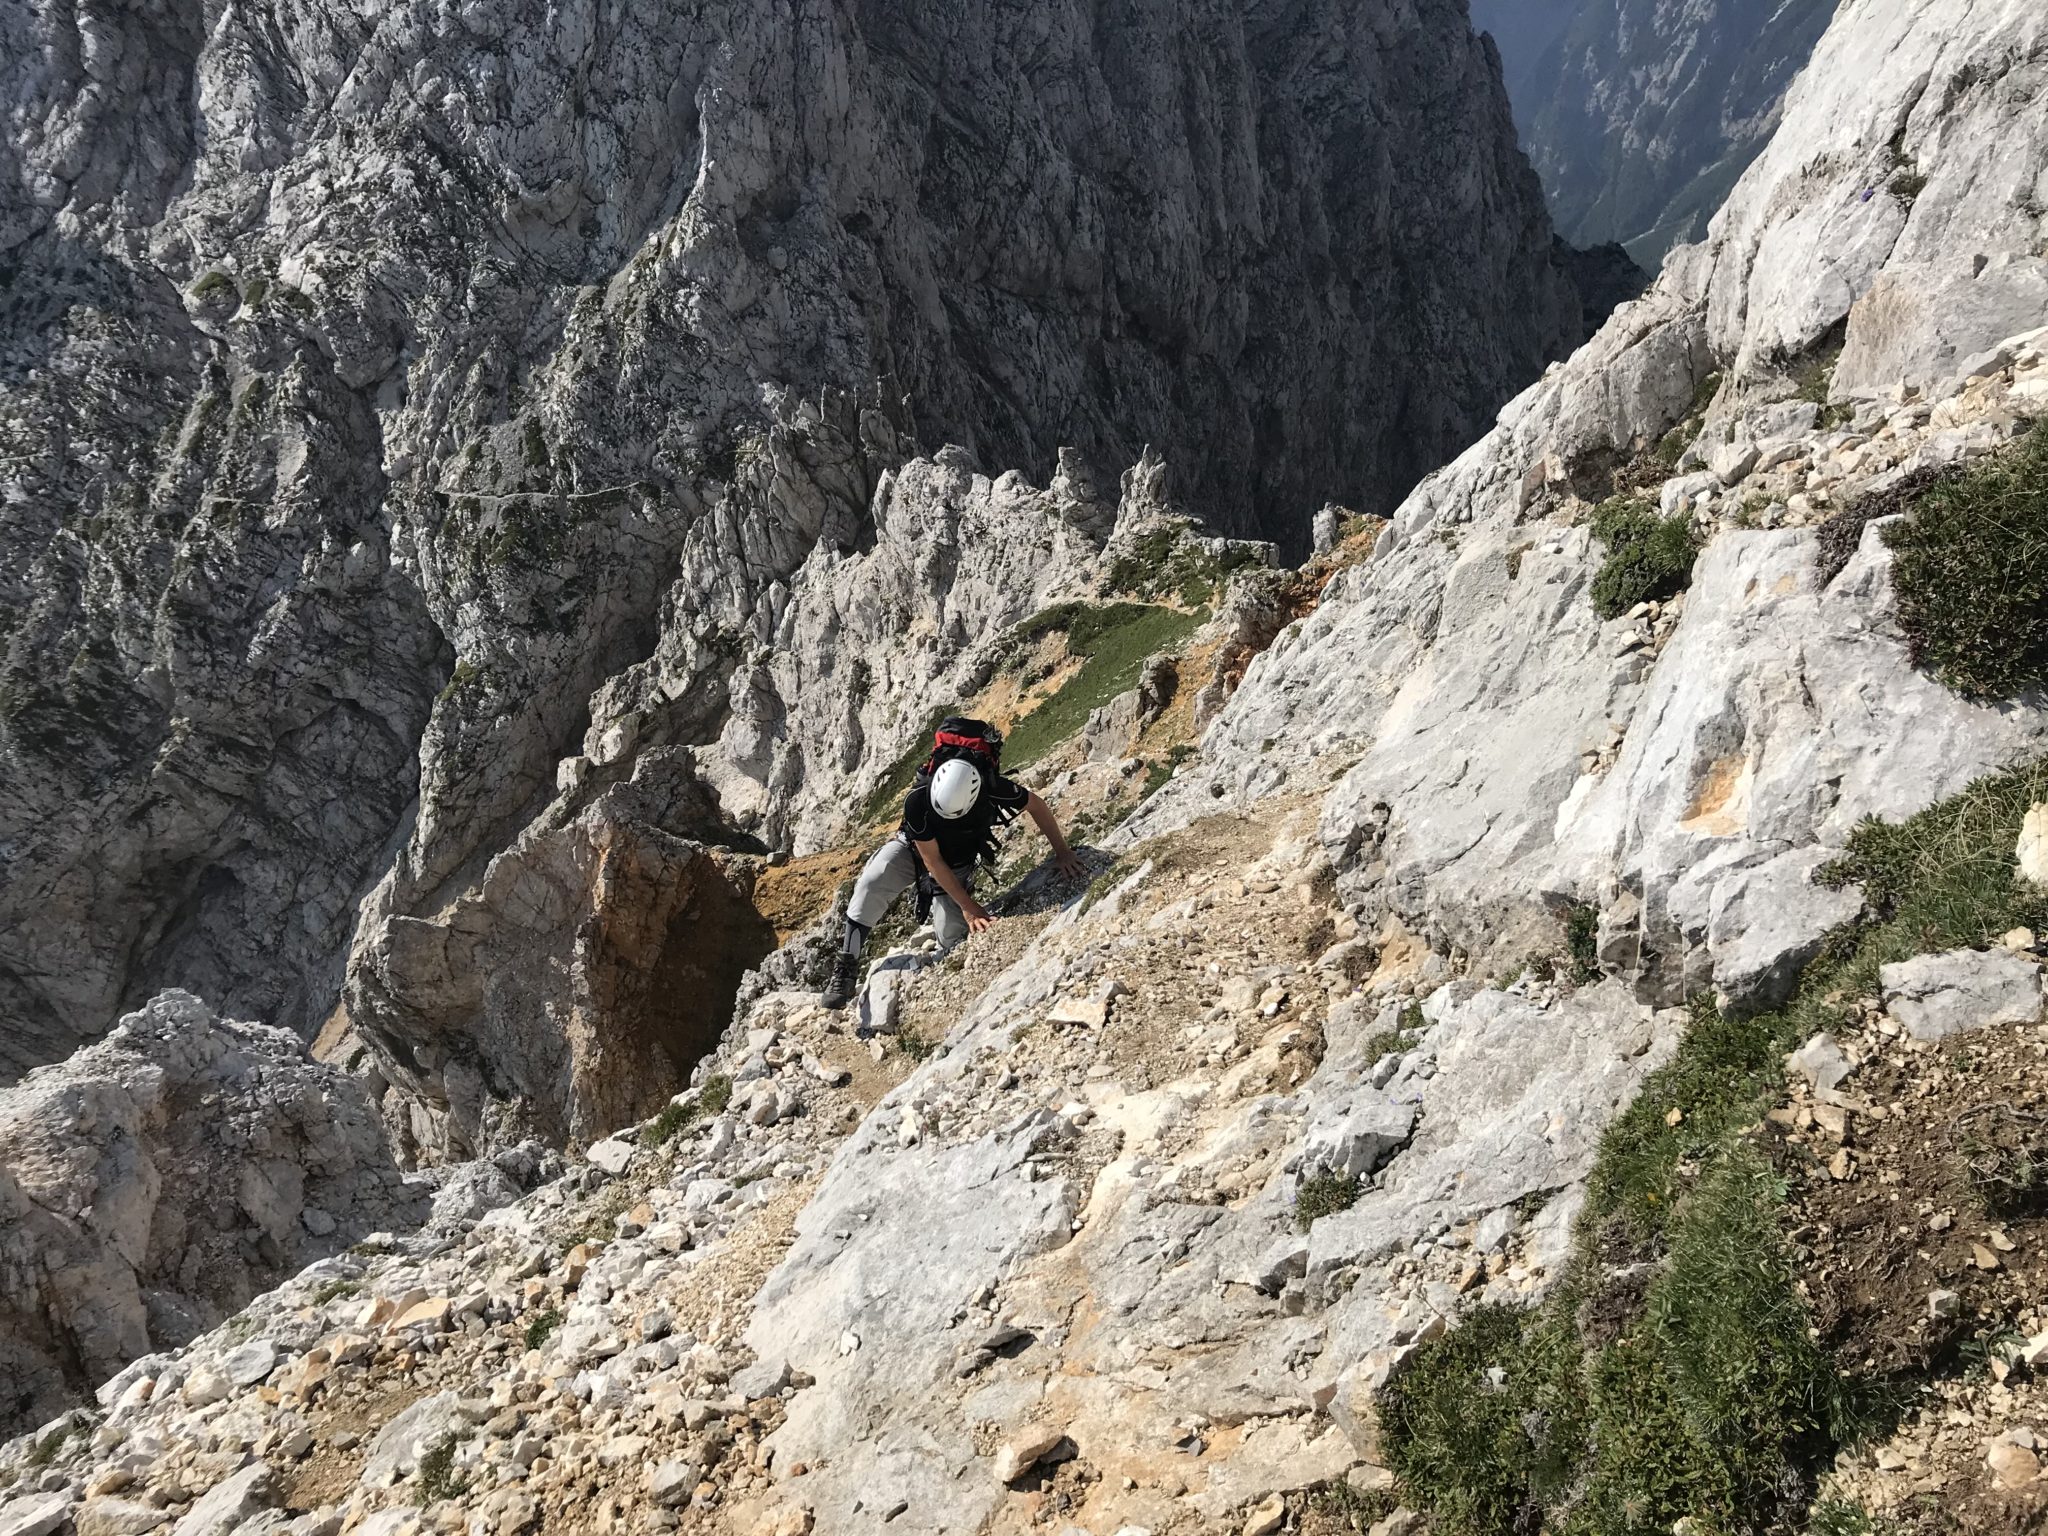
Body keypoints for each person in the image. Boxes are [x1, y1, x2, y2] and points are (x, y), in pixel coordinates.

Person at [823, 718, 1086, 1009]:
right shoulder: (917, 801)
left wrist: (1063, 852)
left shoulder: (990, 787)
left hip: (958, 861)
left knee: (951, 935)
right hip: (914, 849)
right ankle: (845, 967)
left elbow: (1036, 805)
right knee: (873, 881)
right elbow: (932, 861)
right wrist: (970, 907)